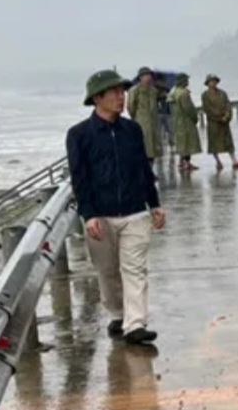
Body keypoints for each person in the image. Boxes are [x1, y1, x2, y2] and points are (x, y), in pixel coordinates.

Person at [67, 69, 166, 346]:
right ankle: (118, 313)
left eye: (122, 92)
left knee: (135, 269)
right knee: (108, 271)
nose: (121, 97)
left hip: (135, 212)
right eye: (114, 93)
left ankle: (135, 324)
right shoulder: (79, 135)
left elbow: (143, 170)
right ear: (97, 98)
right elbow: (79, 178)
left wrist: (154, 205)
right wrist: (88, 215)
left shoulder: (132, 130)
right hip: (100, 216)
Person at [201, 74, 238, 171]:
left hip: (224, 122)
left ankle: (234, 160)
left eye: (215, 81)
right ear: (207, 83)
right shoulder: (205, 95)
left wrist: (227, 116)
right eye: (211, 81)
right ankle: (218, 161)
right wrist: (218, 117)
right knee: (213, 144)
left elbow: (228, 105)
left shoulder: (223, 93)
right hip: (213, 123)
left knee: (228, 142)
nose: (213, 83)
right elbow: (207, 109)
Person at [126, 67, 161, 164]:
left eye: (149, 75)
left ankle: (150, 168)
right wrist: (136, 118)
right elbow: (130, 106)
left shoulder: (154, 91)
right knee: (143, 147)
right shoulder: (134, 90)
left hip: (153, 123)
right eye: (145, 75)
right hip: (141, 122)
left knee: (153, 149)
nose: (148, 77)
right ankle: (144, 169)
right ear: (140, 77)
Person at [170, 72, 202, 172]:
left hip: (177, 121)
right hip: (186, 122)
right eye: (186, 80)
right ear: (183, 81)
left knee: (181, 143)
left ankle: (182, 162)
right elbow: (189, 109)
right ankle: (187, 163)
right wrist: (195, 118)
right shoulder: (183, 94)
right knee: (188, 143)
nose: (188, 82)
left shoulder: (174, 93)